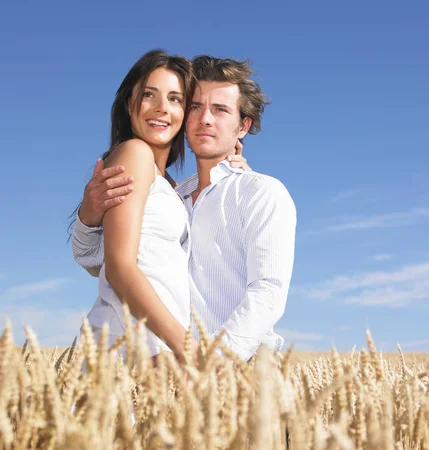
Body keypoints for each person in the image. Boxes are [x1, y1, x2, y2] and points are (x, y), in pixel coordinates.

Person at [72, 55, 296, 362]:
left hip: (223, 371)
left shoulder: (260, 192)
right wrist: (88, 216)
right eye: (196, 106)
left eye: (220, 110)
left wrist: (214, 363)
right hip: (161, 362)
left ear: (243, 126)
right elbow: (107, 264)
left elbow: (267, 293)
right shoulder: (174, 195)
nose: (205, 119)